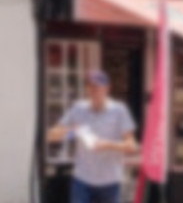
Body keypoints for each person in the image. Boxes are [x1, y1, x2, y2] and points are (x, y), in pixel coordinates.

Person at [45, 70, 138, 203]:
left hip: (110, 182)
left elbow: (132, 146)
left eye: (97, 86)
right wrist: (73, 131)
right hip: (82, 180)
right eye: (90, 86)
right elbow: (51, 136)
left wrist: (108, 145)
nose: (93, 90)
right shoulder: (78, 108)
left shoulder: (119, 110)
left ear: (107, 88)